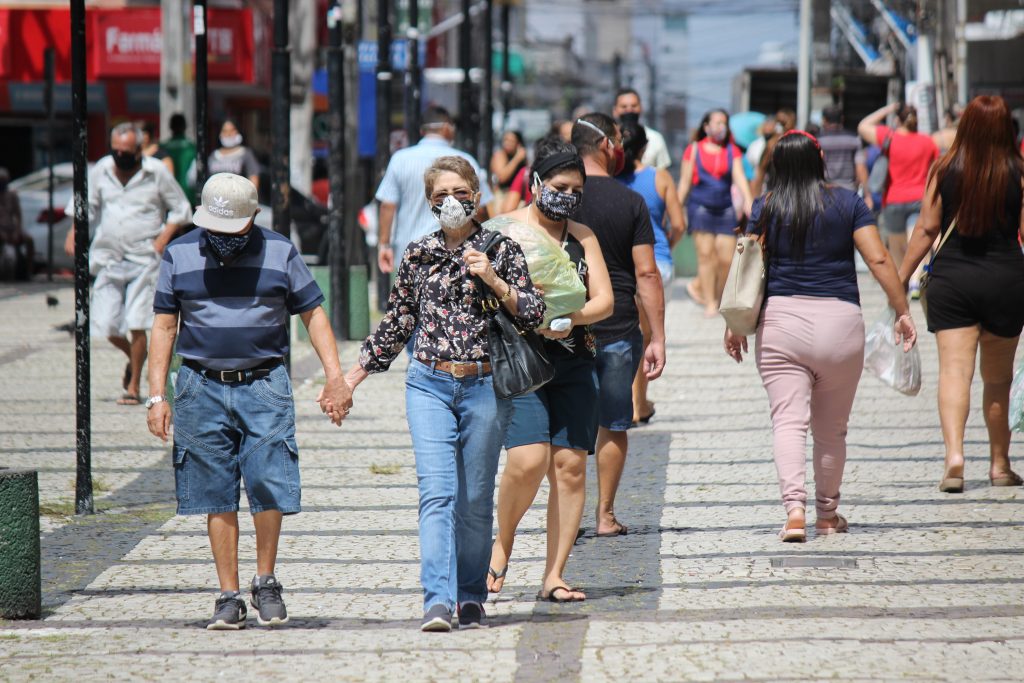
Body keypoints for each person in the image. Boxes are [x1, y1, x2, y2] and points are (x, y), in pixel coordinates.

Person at [342, 156, 544, 632]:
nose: (451, 202)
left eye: (459, 192)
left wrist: (492, 277)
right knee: (437, 493)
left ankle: (470, 595)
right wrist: (351, 378)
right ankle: (436, 600)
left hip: (485, 386)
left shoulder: (503, 248)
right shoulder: (418, 254)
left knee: (474, 499)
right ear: (429, 204)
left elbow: (532, 312)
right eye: (439, 197)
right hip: (428, 382)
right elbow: (398, 322)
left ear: (476, 193)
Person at [146, 173, 354, 630]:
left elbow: (314, 314)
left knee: (268, 481)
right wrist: (157, 395)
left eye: (232, 230)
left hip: (265, 383)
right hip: (200, 386)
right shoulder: (179, 254)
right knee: (214, 491)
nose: (221, 239)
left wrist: (336, 378)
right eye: (215, 230)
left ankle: (266, 581)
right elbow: (164, 326)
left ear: (253, 219)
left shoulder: (280, 251)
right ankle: (228, 594)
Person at [724, 130, 917, 541]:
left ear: (776, 165)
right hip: (841, 324)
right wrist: (902, 310)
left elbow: (747, 268)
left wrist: (734, 324)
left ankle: (794, 512)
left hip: (782, 325)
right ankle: (827, 515)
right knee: (832, 429)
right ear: (820, 159)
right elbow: (879, 257)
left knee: (788, 423)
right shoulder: (848, 202)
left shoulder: (767, 206)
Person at [486, 139, 614, 603]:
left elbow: (605, 300)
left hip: (575, 360)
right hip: (523, 361)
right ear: (536, 182)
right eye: (560, 186)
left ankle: (554, 574)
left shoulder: (583, 237)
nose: (567, 197)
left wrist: (569, 318)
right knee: (528, 459)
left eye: (576, 190)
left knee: (570, 466)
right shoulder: (503, 230)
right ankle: (503, 543)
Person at [897, 95, 1024, 493]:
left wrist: (899, 280)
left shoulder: (946, 168)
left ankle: (954, 456)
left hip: (953, 281)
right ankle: (1000, 465)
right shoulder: (1018, 172)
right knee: (997, 380)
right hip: (1005, 279)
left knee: (955, 372)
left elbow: (925, 230)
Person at [572, 113, 666, 537]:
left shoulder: (558, 196)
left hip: (565, 329)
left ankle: (566, 517)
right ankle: (605, 515)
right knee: (614, 421)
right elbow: (647, 274)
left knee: (568, 426)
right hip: (617, 328)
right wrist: (658, 336)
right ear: (609, 145)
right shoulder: (631, 202)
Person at [63, 123, 192, 405]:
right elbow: (87, 204)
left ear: (139, 149)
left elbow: (181, 209)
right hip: (108, 257)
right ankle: (136, 357)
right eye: (116, 150)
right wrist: (75, 229)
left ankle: (133, 387)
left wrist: (164, 237)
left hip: (145, 257)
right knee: (105, 324)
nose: (120, 156)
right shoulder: (102, 170)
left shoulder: (155, 172)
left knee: (137, 322)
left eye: (127, 151)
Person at [616, 117, 685, 425]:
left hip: (620, 265)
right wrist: (665, 246)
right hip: (657, 264)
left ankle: (626, 403)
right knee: (645, 338)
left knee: (623, 337)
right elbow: (679, 224)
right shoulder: (661, 178)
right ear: (645, 148)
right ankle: (638, 404)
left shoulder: (607, 179)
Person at [375, 107, 492, 278]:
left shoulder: (400, 159)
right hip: (458, 251)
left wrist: (384, 245)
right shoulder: (466, 160)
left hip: (409, 251)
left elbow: (387, 205)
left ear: (422, 131)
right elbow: (481, 211)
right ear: (447, 128)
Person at [677, 109, 754, 318]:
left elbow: (740, 178)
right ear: (706, 126)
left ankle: (719, 297)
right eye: (717, 123)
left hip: (725, 209)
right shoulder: (694, 149)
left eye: (724, 123)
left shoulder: (732, 150)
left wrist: (748, 201)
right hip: (700, 208)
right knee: (705, 257)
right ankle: (710, 301)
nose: (721, 127)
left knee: (726, 259)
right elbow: (684, 183)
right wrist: (674, 207)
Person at [857, 103, 939, 296]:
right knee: (918, 240)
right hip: (919, 198)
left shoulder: (889, 137)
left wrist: (887, 109)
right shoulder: (928, 142)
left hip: (893, 199)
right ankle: (915, 281)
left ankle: (902, 281)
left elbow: (862, 126)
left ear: (898, 119)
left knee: (897, 247)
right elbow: (935, 173)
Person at [612, 88, 671, 170]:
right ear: (615, 110)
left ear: (641, 108)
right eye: (624, 106)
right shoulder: (608, 139)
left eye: (634, 106)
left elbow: (663, 173)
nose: (629, 110)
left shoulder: (655, 138)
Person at [818, 105, 869, 196]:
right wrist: (867, 194)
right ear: (842, 119)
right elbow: (860, 167)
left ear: (824, 120)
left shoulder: (817, 141)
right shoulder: (854, 139)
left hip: (824, 192)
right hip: (848, 192)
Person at [751, 108, 796, 196]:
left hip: (776, 194)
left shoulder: (772, 143)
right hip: (782, 194)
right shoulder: (772, 144)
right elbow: (760, 172)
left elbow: (760, 173)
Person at [208, 119, 261, 191]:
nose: (228, 134)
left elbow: (254, 179)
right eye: (225, 131)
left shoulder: (246, 153)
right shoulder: (213, 155)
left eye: (232, 130)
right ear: (220, 133)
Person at [0, 167, 33, 281]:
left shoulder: (12, 196)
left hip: (11, 229)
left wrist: (17, 231)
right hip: (1, 231)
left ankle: (29, 271)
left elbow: (18, 215)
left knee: (29, 240)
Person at [161, 113, 198, 205]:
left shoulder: (162, 147)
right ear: (185, 126)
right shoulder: (193, 147)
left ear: (170, 127)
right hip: (188, 195)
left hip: (167, 195)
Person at [489, 130, 527, 195]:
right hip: (502, 194)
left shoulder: (521, 156)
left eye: (511, 141)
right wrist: (517, 159)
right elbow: (501, 178)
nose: (507, 143)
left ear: (518, 144)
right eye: (505, 140)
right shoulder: (499, 155)